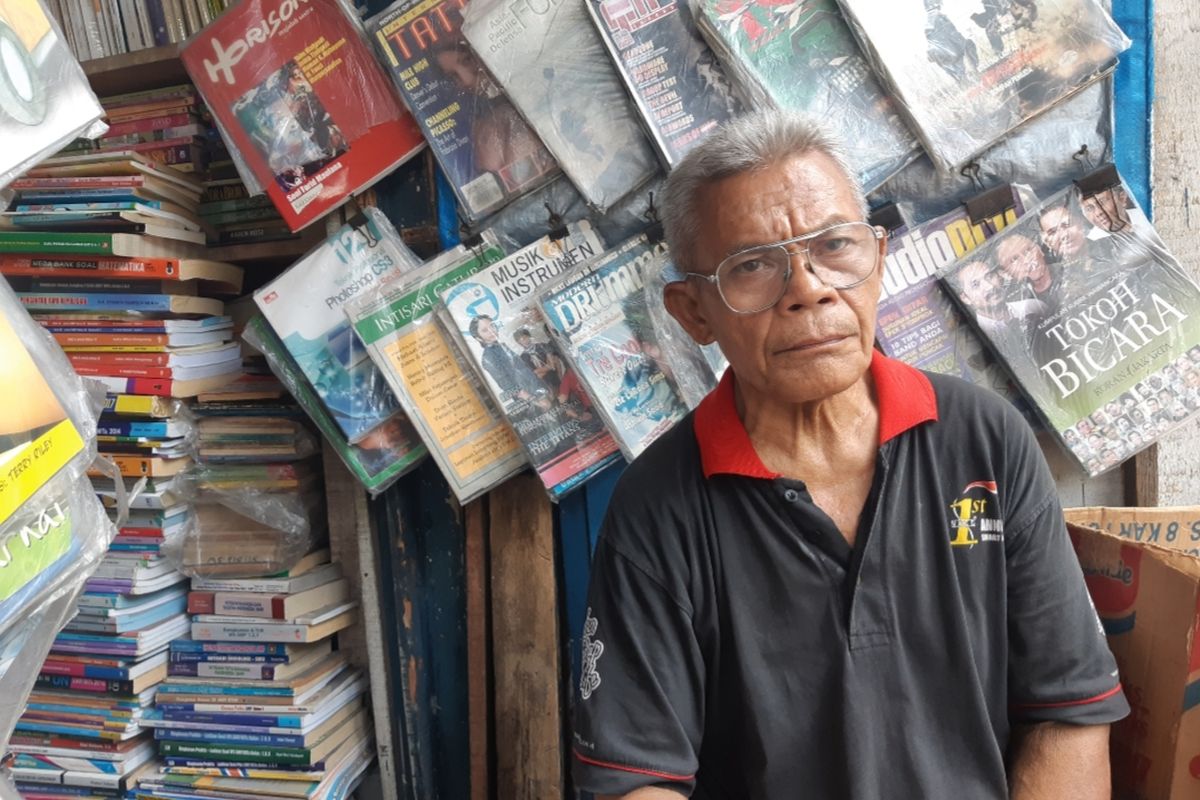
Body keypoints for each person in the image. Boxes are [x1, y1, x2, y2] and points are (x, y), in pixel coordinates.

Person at [572, 110, 1127, 800]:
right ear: (694, 313)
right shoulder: (660, 508)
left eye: (834, 246)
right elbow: (636, 782)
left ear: (878, 257)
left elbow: (1068, 711)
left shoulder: (982, 440)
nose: (808, 289)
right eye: (751, 267)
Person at [469, 315, 549, 409]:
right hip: (530, 400)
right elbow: (507, 385)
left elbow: (524, 369)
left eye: (492, 326)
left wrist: (542, 389)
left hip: (538, 388)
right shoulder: (488, 357)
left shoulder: (502, 346)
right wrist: (536, 401)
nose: (491, 331)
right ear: (478, 338)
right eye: (485, 330)